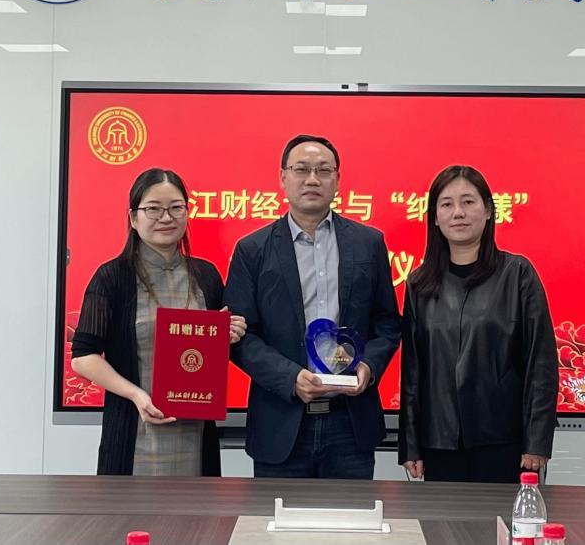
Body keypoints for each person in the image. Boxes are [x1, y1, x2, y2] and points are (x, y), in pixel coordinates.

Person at [225, 134, 401, 479]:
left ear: (337, 179)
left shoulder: (368, 243)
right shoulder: (252, 249)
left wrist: (369, 366)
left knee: (351, 516)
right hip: (281, 421)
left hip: (350, 422)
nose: (312, 179)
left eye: (323, 170)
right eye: (301, 169)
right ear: (283, 178)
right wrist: (290, 378)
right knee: (277, 517)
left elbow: (387, 324)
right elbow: (241, 338)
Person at [71, 167, 246, 476]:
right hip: (134, 432)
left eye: (176, 208)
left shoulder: (206, 276)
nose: (166, 218)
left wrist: (229, 334)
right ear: (133, 217)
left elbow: (212, 355)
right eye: (153, 209)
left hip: (195, 434)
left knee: (197, 506)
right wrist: (136, 395)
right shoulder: (112, 277)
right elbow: (83, 358)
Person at [399, 164, 558, 483]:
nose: (458, 212)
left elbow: (540, 364)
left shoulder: (517, 274)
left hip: (505, 440)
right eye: (446, 204)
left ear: (487, 210)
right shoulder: (420, 283)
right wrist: (411, 444)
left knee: (503, 518)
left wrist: (537, 441)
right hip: (440, 441)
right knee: (442, 518)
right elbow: (413, 371)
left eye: (468, 202)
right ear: (435, 217)